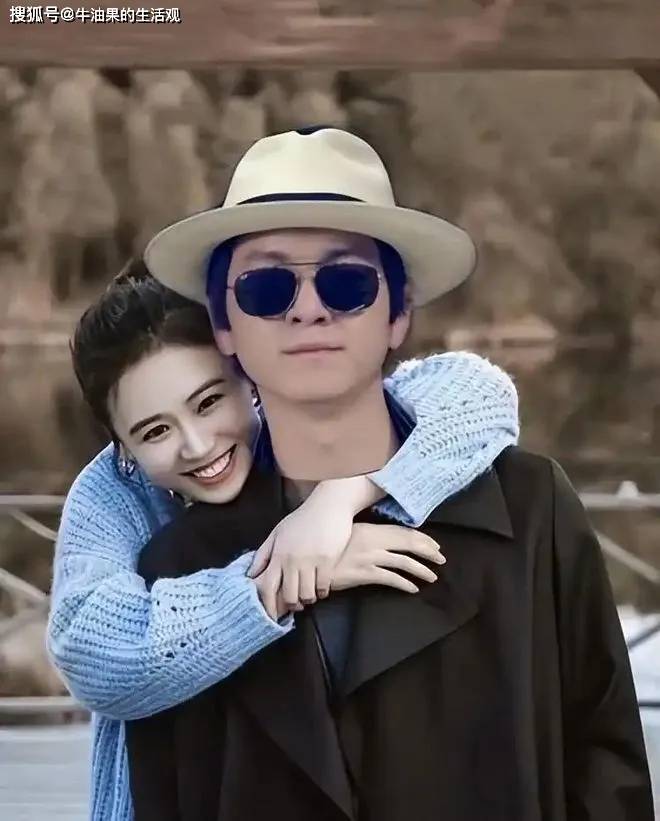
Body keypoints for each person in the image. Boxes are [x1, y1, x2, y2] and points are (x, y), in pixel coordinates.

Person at [133, 126, 654, 820]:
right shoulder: (178, 568)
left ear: (399, 314)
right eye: (266, 286)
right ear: (224, 325)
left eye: (346, 281)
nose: (308, 308)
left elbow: (607, 770)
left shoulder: (531, 510)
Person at [49, 260, 520, 821]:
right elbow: (92, 652)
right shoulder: (112, 495)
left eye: (208, 402)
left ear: (247, 377)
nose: (196, 445)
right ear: (122, 449)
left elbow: (479, 393)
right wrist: (279, 578)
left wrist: (340, 501)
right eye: (155, 431)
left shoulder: (297, 421)